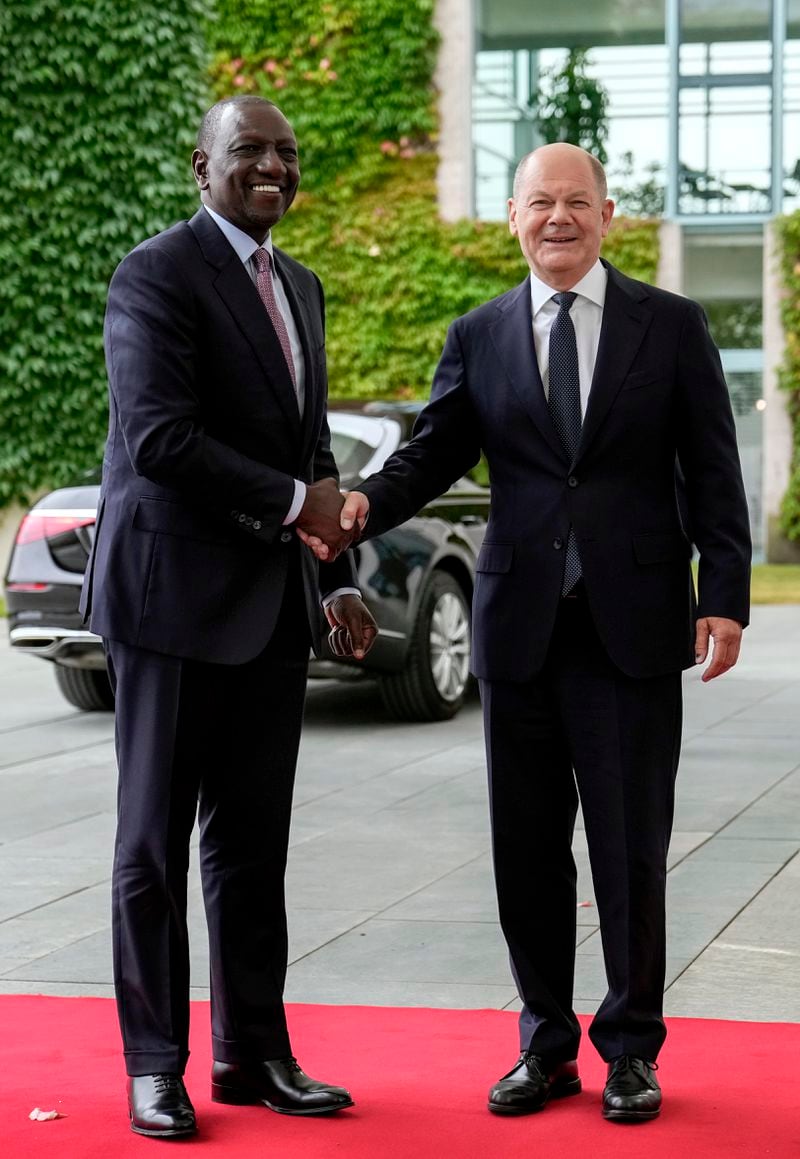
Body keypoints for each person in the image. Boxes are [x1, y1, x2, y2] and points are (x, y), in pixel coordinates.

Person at [302, 143, 751, 1123]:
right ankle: (544, 1047)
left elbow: (711, 470)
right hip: (520, 634)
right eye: (539, 202)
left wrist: (722, 591)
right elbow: (431, 452)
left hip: (629, 632)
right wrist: (358, 507)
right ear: (513, 215)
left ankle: (630, 1048)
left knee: (630, 852)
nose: (558, 217)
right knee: (525, 851)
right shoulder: (479, 332)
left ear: (606, 215)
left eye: (575, 202)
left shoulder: (668, 328)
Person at [80, 94, 377, 1138]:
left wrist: (336, 573)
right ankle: (153, 1065)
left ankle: (252, 1056)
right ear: (200, 163)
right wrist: (302, 505)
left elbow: (313, 452)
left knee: (252, 848)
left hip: (269, 608)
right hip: (167, 602)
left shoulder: (299, 284)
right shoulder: (153, 274)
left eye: (286, 153)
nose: (271, 167)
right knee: (152, 846)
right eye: (248, 149)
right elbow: (160, 437)